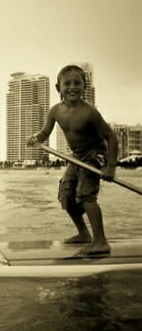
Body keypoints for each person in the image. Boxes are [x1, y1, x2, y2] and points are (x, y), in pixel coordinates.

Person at [27, 65, 118, 255]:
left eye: (77, 82)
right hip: (76, 157)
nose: (72, 87)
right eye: (67, 83)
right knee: (66, 196)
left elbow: (111, 137)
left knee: (85, 195)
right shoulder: (55, 111)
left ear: (84, 86)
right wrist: (36, 138)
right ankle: (84, 234)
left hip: (95, 154)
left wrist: (110, 167)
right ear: (58, 87)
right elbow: (45, 133)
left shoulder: (90, 112)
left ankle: (100, 241)